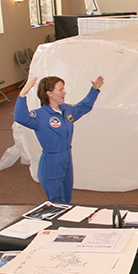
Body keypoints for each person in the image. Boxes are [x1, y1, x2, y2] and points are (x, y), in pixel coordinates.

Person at [15, 74, 104, 203]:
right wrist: (23, 94)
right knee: (56, 202)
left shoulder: (66, 109)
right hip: (52, 162)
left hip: (66, 158)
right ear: (49, 93)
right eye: (61, 89)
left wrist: (94, 90)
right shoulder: (39, 116)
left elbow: (84, 107)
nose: (65, 92)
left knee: (67, 199)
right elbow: (20, 117)